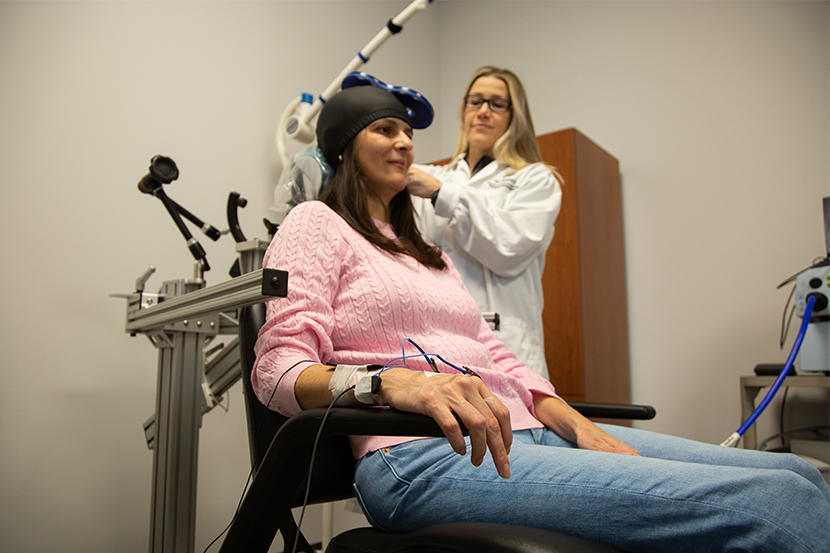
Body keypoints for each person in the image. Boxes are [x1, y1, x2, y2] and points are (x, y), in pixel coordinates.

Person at [253, 82, 830, 553]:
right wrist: (390, 382)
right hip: (418, 454)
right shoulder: (315, 223)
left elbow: (491, 348)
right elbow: (277, 371)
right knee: (778, 505)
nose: (404, 143)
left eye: (408, 132)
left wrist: (571, 419)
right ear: (344, 146)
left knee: (799, 477)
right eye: (386, 129)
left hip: (528, 431)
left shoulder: (426, 251)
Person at [406, 65, 561, 379]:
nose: (483, 111)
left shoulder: (535, 180)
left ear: (514, 115)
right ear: (464, 111)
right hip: (439, 343)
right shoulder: (437, 176)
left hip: (507, 347)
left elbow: (508, 248)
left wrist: (440, 194)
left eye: (497, 103)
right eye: (475, 101)